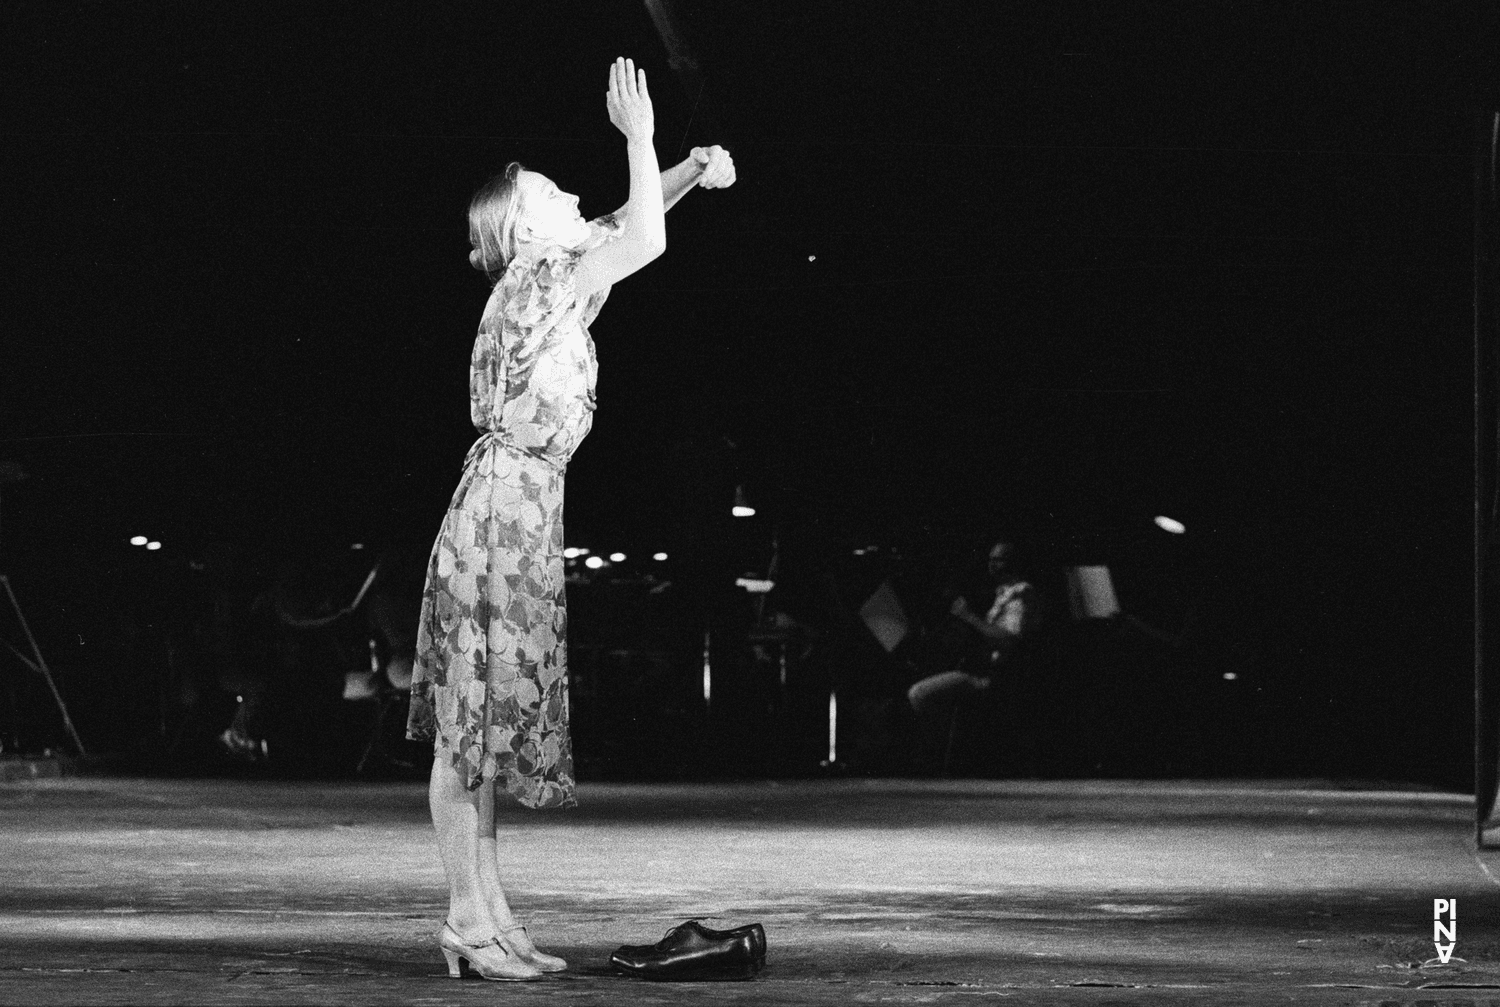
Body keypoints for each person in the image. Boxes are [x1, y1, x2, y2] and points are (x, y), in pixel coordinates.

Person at [404, 58, 736, 981]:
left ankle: (493, 915)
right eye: (554, 192)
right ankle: (466, 920)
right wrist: (641, 137)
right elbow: (640, 243)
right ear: (521, 226)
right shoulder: (536, 282)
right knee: (465, 729)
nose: (573, 193)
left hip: (520, 512)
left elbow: (625, 225)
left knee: (484, 732)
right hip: (499, 516)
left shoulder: (554, 283)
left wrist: (686, 171)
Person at [906, 540, 1037, 764]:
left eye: (999, 560)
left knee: (919, 694)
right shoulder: (1003, 593)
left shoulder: (1020, 595)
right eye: (991, 559)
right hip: (985, 671)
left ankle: (935, 758)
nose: (992, 565)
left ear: (1014, 562)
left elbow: (1008, 639)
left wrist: (968, 616)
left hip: (993, 677)